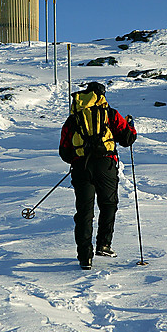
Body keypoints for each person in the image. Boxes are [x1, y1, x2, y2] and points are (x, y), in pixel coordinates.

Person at [59, 82, 137, 269]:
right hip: (105, 164)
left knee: (85, 211)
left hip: (82, 167)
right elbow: (127, 138)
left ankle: (85, 257)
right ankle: (104, 244)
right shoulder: (109, 113)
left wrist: (78, 159)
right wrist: (131, 126)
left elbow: (64, 151)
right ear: (102, 95)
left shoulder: (74, 118)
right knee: (109, 204)